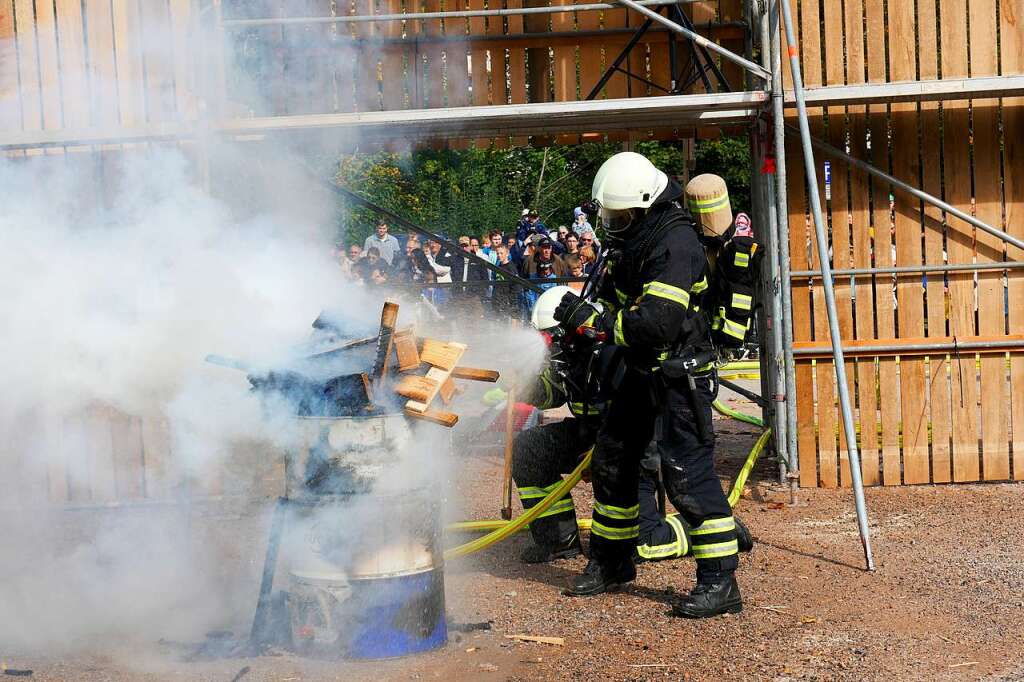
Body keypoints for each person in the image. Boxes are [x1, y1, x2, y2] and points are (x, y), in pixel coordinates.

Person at [552, 151, 742, 618]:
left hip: (676, 376)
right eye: (608, 215)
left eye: (618, 215)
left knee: (687, 473)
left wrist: (597, 324)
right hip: (637, 372)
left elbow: (657, 322)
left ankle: (720, 582)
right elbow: (617, 299)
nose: (611, 223)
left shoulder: (675, 244)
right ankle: (613, 562)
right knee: (614, 462)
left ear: (642, 205)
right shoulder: (634, 239)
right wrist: (580, 325)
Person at [513, 286, 752, 565]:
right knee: (529, 449)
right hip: (595, 436)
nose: (550, 347)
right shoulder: (569, 356)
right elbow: (555, 394)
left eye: (553, 338)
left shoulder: (614, 353)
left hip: (636, 447)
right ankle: (557, 539)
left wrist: (602, 458)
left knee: (640, 546)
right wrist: (522, 386)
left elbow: (646, 417)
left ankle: (719, 532)